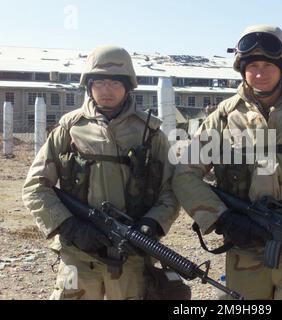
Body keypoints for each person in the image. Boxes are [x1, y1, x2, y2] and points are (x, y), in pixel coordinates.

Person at [172, 25, 282, 300]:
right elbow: (185, 174)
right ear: (242, 69)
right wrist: (223, 218)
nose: (260, 73)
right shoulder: (223, 119)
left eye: (268, 65)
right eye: (253, 65)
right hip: (244, 248)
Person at [22, 45, 179, 300]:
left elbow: (171, 189)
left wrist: (152, 224)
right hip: (78, 254)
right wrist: (70, 226)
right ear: (89, 86)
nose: (107, 90)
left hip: (131, 254)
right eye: (100, 82)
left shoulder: (150, 133)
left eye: (115, 83)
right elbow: (36, 186)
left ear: (128, 86)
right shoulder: (69, 128)